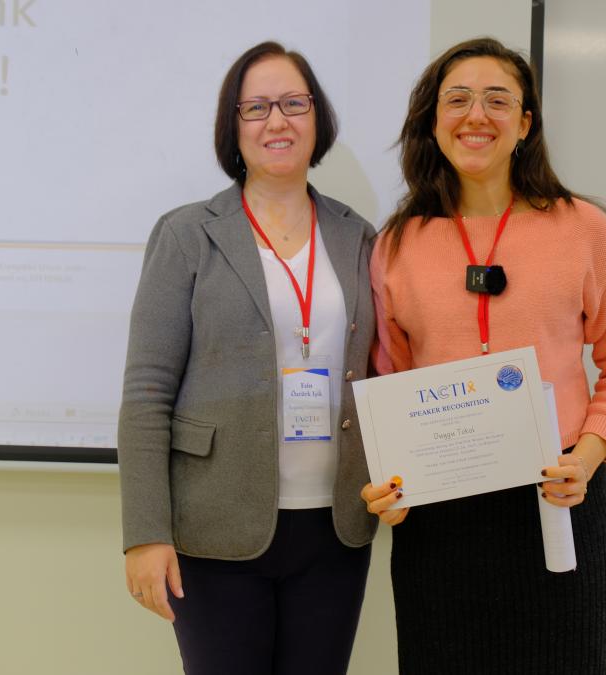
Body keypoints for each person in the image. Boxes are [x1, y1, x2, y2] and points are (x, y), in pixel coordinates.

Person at [360, 37, 606, 674]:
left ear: (524, 124)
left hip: (560, 505)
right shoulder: (398, 245)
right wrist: (391, 482)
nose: (477, 115)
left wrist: (585, 460)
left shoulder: (583, 230)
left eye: (498, 100)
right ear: (433, 122)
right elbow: (391, 382)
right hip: (441, 525)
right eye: (458, 100)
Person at [117, 41, 378, 675]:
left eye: (294, 104)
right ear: (232, 126)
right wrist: (146, 533)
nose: (276, 121)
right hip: (215, 527)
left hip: (335, 529)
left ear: (318, 118)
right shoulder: (187, 234)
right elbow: (148, 391)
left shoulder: (357, 235)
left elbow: (383, 370)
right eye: (256, 107)